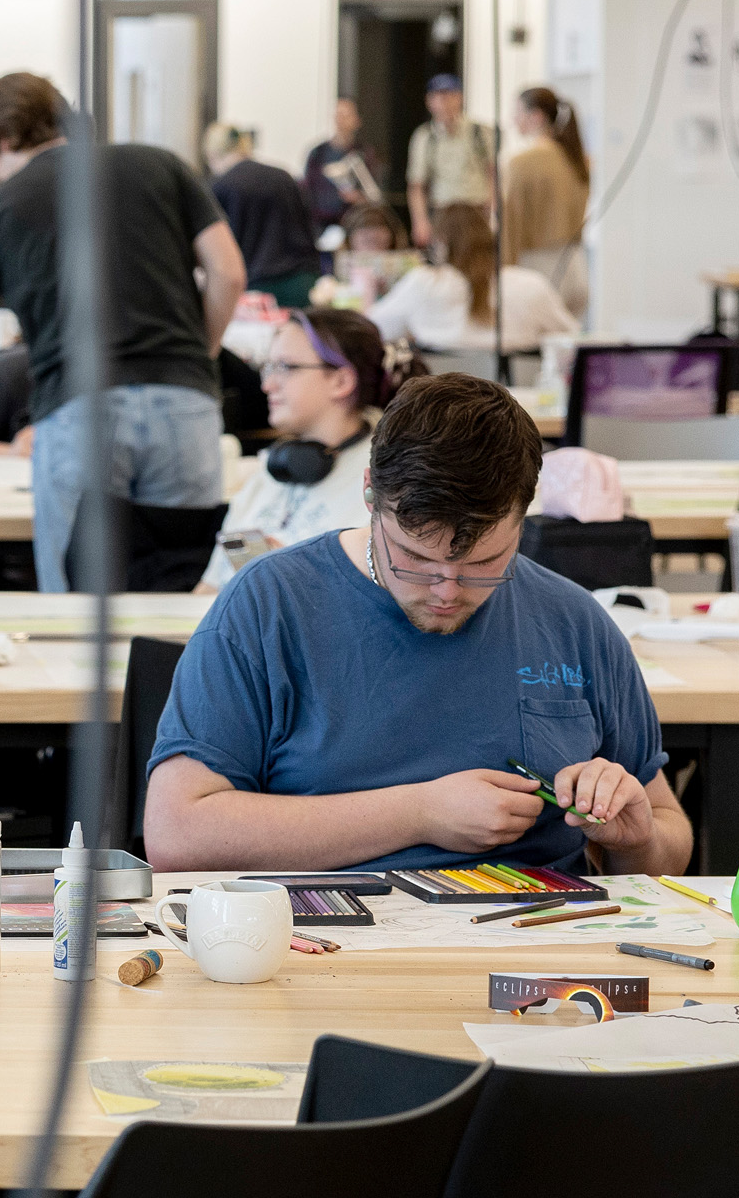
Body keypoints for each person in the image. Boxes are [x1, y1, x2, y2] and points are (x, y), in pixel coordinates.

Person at [144, 375, 691, 876]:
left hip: (539, 953)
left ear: (526, 516)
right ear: (369, 494)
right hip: (322, 950)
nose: (447, 590)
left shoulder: (573, 622)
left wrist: (635, 841)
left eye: (483, 564)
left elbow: (669, 836)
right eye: (414, 558)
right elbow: (177, 834)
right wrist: (418, 814)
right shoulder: (270, 605)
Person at [0, 73, 248, 593]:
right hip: (185, 406)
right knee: (182, 599)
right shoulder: (159, 164)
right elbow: (229, 273)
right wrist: (197, 353)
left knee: (78, 615)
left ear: (3, 141)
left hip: (80, 410)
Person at [203, 309, 409, 592]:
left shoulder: (386, 484)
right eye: (268, 367)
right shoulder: (274, 467)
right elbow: (209, 587)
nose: (267, 384)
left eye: (285, 367)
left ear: (341, 381)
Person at [368, 202, 576, 356]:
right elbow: (573, 338)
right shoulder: (531, 285)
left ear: (441, 244)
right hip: (518, 406)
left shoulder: (423, 283)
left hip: (438, 407)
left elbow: (372, 328)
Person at [203, 121, 328, 307]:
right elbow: (309, 229)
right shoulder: (285, 177)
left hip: (253, 291)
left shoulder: (220, 187)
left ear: (213, 155)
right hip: (302, 285)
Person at [502, 85, 591, 312]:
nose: (513, 119)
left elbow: (510, 227)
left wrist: (503, 272)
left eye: (517, 112)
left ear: (536, 116)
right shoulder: (579, 159)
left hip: (538, 272)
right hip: (576, 267)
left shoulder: (521, 163)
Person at [404, 74, 497, 249]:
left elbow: (492, 173)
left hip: (476, 209)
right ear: (429, 101)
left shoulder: (479, 132)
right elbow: (416, 185)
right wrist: (420, 222)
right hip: (442, 211)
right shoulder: (425, 137)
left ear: (459, 98)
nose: (444, 102)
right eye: (438, 96)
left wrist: (493, 212)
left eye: (449, 96)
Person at [301, 96, 386, 232]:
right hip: (322, 226)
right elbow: (307, 192)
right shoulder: (318, 154)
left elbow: (375, 194)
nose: (341, 120)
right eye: (338, 115)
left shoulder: (365, 154)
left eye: (346, 115)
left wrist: (359, 198)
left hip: (356, 226)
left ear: (357, 120)